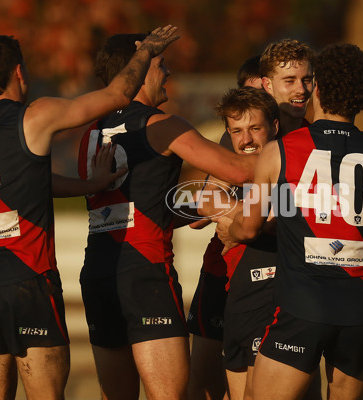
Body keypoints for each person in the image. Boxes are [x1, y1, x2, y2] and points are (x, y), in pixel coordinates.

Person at [0, 28, 179, 400]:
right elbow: (118, 95)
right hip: (26, 278)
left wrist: (90, 186)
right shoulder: (35, 115)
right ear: (19, 72)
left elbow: (30, 182)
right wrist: (148, 52)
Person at [77, 33, 259, 400]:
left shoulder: (90, 132)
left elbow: (139, 204)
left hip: (97, 272)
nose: (169, 71)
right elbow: (239, 170)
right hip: (143, 272)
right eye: (160, 65)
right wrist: (303, 153)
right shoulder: (161, 124)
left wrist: (200, 204)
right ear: (140, 69)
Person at [216, 43, 363, 400]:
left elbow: (249, 227)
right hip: (360, 311)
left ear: (319, 87)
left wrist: (231, 228)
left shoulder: (281, 150)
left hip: (304, 308)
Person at [186, 55, 263, 400]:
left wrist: (243, 219)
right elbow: (204, 207)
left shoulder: (292, 143)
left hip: (270, 270)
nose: (250, 109)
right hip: (223, 263)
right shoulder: (227, 141)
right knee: (202, 374)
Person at [259, 39, 314, 134]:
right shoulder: (250, 140)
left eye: (306, 80)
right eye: (290, 81)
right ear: (268, 85)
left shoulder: (319, 140)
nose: (301, 90)